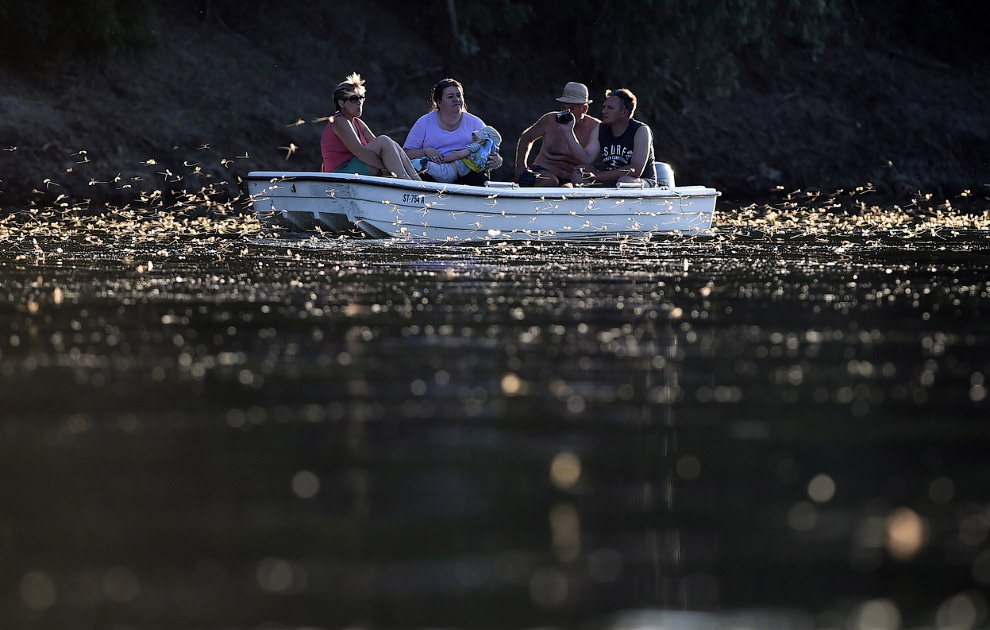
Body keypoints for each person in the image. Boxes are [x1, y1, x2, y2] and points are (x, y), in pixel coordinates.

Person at [321, 73, 423, 180]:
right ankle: (406, 181)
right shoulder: (339, 121)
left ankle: (419, 184)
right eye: (354, 99)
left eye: (361, 98)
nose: (359, 102)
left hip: (354, 169)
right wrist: (385, 167)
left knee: (393, 145)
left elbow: (384, 148)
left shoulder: (358, 123)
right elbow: (360, 152)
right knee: (384, 140)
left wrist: (389, 162)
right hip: (339, 174)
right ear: (341, 103)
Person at [403, 78, 503, 186]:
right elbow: (406, 154)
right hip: (432, 173)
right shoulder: (424, 122)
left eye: (459, 95)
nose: (456, 99)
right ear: (439, 102)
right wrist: (425, 151)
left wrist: (497, 160)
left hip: (465, 174)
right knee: (421, 176)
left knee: (478, 178)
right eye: (450, 97)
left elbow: (489, 149)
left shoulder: (476, 123)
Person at [563, 87, 657, 187]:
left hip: (641, 181)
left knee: (624, 181)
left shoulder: (641, 130)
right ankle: (591, 203)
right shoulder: (599, 129)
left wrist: (598, 175)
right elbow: (586, 159)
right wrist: (568, 131)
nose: (603, 111)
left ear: (624, 113)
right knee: (579, 175)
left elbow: (635, 170)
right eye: (604, 107)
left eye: (610, 108)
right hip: (610, 180)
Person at [514, 81, 600, 187]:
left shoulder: (595, 127)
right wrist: (520, 168)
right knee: (549, 180)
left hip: (569, 179)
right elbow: (526, 137)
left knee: (568, 189)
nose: (567, 112)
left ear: (584, 109)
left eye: (572, 108)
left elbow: (590, 160)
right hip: (542, 172)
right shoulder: (550, 120)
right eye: (564, 108)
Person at [410, 126, 502, 183]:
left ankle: (411, 164)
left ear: (483, 141)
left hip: (448, 172)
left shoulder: (475, 148)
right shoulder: (482, 158)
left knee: (425, 164)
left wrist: (443, 160)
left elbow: (459, 155)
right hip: (453, 175)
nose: (471, 140)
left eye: (475, 139)